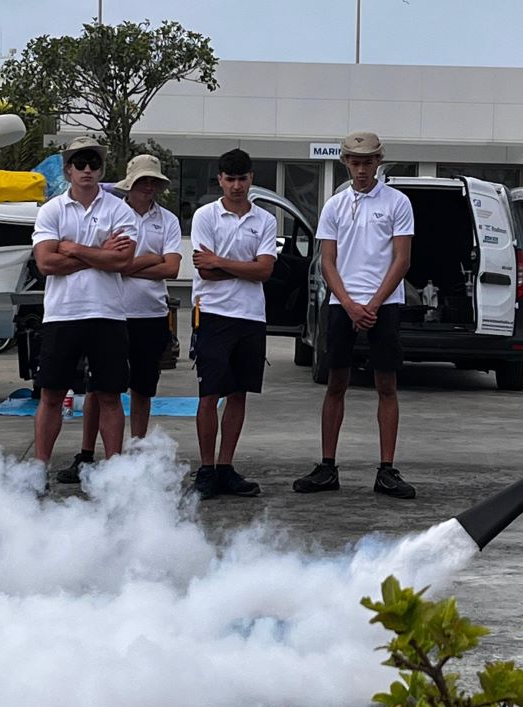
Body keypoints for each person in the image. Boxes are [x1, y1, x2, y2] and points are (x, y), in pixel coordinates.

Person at [292, 131, 416, 498]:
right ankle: (328, 466)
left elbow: (402, 259)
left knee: (386, 385)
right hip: (342, 304)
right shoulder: (334, 205)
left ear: (379, 162)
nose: (361, 170)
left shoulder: (398, 202)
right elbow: (327, 261)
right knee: (335, 383)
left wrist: (374, 304)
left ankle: (387, 469)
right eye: (355, 162)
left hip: (385, 305)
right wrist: (348, 304)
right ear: (345, 162)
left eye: (368, 162)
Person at [57, 154, 180, 483]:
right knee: (99, 388)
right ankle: (86, 454)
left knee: (143, 387)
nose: (149, 188)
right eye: (143, 182)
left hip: (151, 313)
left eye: (154, 182)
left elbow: (171, 267)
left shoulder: (167, 219)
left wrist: (120, 263)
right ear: (131, 184)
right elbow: (115, 262)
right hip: (112, 312)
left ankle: (136, 454)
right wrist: (143, 260)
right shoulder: (114, 213)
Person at [31, 136, 137, 487]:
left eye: (94, 163)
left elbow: (122, 259)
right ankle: (38, 471)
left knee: (109, 394)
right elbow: (45, 263)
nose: (88, 169)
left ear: (102, 169)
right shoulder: (51, 210)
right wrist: (97, 255)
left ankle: (115, 475)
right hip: (62, 314)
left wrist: (74, 248)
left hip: (107, 314)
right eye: (81, 163)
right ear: (68, 170)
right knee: (51, 394)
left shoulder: (120, 210)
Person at [189, 148, 276, 499]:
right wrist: (246, 269)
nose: (237, 186)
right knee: (209, 394)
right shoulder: (205, 216)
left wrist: (222, 263)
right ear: (220, 180)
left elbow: (266, 270)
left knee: (238, 394)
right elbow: (203, 270)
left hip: (251, 316)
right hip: (212, 313)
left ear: (251, 178)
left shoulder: (265, 220)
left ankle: (226, 467)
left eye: (242, 179)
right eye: (230, 179)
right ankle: (206, 468)